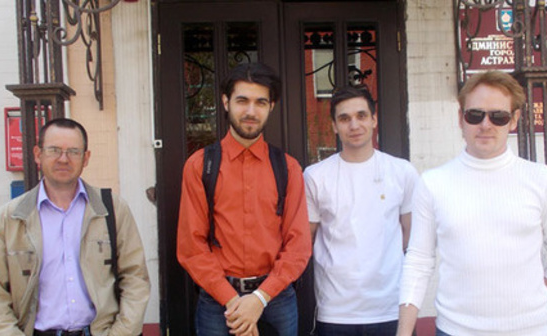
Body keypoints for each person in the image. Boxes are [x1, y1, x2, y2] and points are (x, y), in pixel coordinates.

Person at [397, 70, 547, 336]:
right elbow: (419, 260)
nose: (485, 125)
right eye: (475, 115)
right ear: (460, 118)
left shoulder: (540, 179)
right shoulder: (433, 183)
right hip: (456, 330)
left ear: (514, 120)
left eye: (498, 116)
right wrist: (404, 332)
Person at [0, 118, 150, 336]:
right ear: (38, 154)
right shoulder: (8, 220)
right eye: (54, 150)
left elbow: (136, 278)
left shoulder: (112, 210)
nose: (63, 159)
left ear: (86, 158)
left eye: (74, 151)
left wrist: (121, 332)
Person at [177, 62, 312, 336]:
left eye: (260, 102)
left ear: (271, 106)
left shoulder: (288, 168)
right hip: (219, 301)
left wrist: (260, 298)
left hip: (276, 298)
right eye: (242, 101)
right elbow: (191, 246)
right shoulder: (200, 165)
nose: (251, 111)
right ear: (226, 102)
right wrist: (233, 301)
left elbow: (298, 246)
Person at [303, 85, 419, 335]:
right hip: (336, 312)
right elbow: (306, 240)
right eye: (344, 118)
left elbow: (409, 235)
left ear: (374, 119)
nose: (354, 125)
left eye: (361, 116)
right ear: (334, 125)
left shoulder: (402, 172)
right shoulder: (315, 176)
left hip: (390, 307)